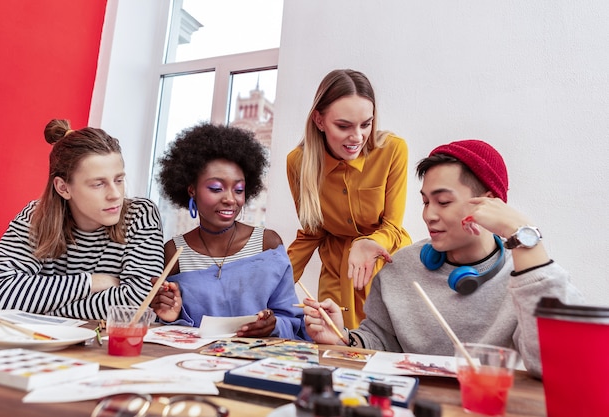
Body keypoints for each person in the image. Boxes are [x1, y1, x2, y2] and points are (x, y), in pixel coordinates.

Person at [302, 139, 584, 378]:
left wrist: (525, 240)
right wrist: (342, 338)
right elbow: (379, 341)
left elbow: (558, 368)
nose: (428, 215)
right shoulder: (400, 268)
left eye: (443, 202)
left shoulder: (527, 274)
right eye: (425, 201)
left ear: (488, 202)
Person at [0, 119, 165, 320]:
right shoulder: (36, 217)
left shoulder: (140, 215)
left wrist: (39, 309)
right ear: (63, 188)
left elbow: (138, 303)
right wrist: (92, 282)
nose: (115, 194)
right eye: (98, 184)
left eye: (119, 180)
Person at [150, 122, 308, 339]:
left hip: (258, 362)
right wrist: (170, 316)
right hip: (198, 364)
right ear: (191, 190)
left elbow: (293, 321)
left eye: (239, 189)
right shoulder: (175, 252)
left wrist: (273, 326)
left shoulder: (266, 244)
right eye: (216, 188)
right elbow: (170, 328)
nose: (230, 199)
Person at [286, 69, 412, 328]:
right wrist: (276, 281)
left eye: (366, 124)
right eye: (343, 126)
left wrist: (368, 243)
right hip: (336, 272)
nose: (357, 137)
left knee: (384, 351)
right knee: (335, 350)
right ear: (319, 121)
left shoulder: (392, 150)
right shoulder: (298, 163)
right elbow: (312, 232)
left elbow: (391, 226)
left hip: (385, 265)